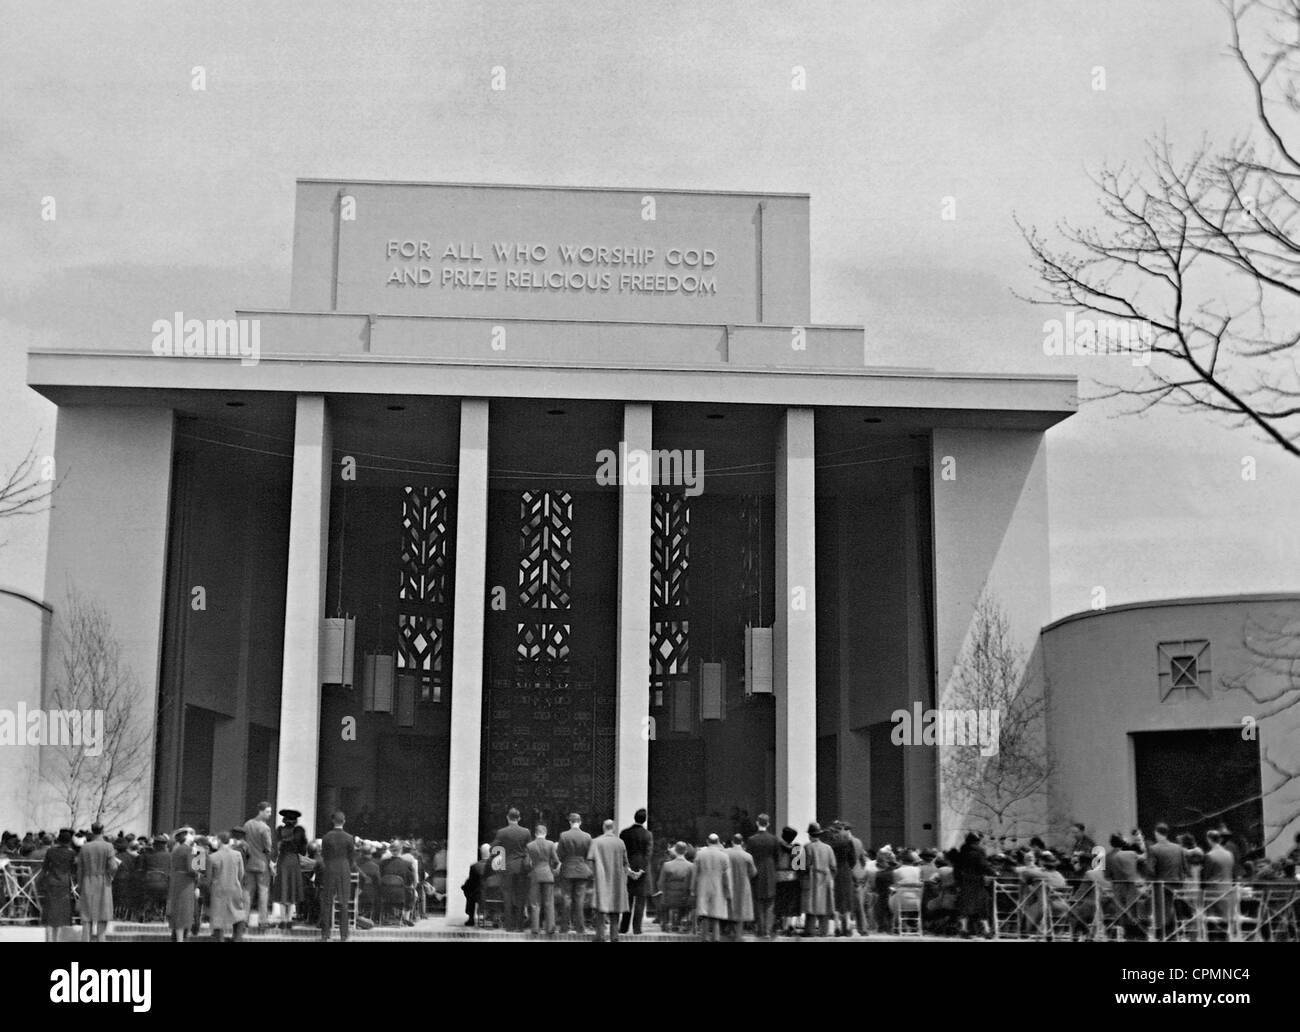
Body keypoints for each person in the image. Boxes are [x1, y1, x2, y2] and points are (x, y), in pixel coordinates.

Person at [74, 821, 118, 942]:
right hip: (103, 882)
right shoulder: (108, 846)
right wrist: (111, 875)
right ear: (102, 830)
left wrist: (80, 884)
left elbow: (80, 869)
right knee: (102, 915)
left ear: (92, 831)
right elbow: (113, 866)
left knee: (87, 917)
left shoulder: (85, 847)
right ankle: (101, 939)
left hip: (87, 881)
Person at [1144, 822, 1188, 939]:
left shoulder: (1153, 849)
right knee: (1175, 910)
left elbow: (1150, 870)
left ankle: (1162, 936)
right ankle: (1179, 934)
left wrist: (1149, 884)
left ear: (1157, 833)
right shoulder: (1178, 848)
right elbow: (1185, 868)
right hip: (1177, 885)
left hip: (1161, 886)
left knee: (1161, 913)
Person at [491, 807, 532, 932]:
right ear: (519, 818)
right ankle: (519, 926)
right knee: (520, 896)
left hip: (507, 867)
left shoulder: (502, 832)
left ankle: (509, 926)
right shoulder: (526, 832)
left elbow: (493, 848)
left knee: (507, 896)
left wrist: (499, 859)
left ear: (507, 817)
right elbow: (528, 849)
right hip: (521, 867)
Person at [588, 819, 630, 941]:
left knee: (601, 908)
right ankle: (614, 936)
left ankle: (600, 936)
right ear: (614, 828)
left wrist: (593, 875)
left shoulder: (596, 842)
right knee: (615, 908)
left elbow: (590, 860)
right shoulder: (620, 843)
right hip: (616, 879)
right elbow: (625, 862)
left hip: (601, 879)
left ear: (603, 827)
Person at [318, 810, 357, 941]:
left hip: (330, 868)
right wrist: (347, 866)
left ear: (333, 821)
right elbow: (352, 857)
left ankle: (325, 934)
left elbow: (324, 855)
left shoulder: (326, 837)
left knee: (327, 902)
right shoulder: (349, 837)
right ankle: (343, 935)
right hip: (344, 869)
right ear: (344, 821)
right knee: (344, 903)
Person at [691, 833, 733, 942]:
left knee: (705, 914)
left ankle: (704, 938)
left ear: (707, 841)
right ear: (718, 841)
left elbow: (694, 873)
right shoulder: (724, 856)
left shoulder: (700, 854)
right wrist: (728, 890)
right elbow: (727, 876)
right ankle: (716, 938)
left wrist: (692, 888)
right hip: (718, 888)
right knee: (716, 915)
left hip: (703, 887)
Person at [207, 831, 247, 942]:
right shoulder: (237, 855)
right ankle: (237, 938)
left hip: (218, 889)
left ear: (219, 841)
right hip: (234, 888)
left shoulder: (212, 857)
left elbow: (209, 878)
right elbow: (241, 874)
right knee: (238, 914)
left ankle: (220, 939)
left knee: (218, 916)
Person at [619, 808, 653, 935]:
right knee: (640, 900)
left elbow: (621, 852)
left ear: (635, 817)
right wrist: (641, 870)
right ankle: (637, 928)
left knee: (628, 899)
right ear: (645, 820)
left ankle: (624, 927)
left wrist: (627, 869)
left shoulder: (625, 833)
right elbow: (648, 854)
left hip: (628, 866)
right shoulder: (648, 835)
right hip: (642, 870)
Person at [557, 813, 593, 935]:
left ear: (570, 822)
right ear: (580, 822)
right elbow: (589, 855)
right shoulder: (587, 836)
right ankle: (580, 928)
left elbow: (560, 854)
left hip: (567, 869)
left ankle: (564, 928)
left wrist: (566, 861)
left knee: (566, 899)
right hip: (582, 870)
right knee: (579, 900)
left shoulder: (564, 835)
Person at [745, 813, 779, 939]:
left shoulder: (752, 840)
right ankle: (768, 931)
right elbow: (777, 857)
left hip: (757, 872)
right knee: (770, 903)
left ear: (757, 823)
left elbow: (749, 857)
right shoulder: (774, 839)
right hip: (770, 872)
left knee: (758, 902)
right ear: (768, 824)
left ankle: (760, 929)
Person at [39, 829, 76, 943]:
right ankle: (58, 939)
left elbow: (45, 867)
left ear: (58, 840)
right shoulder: (71, 853)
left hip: (51, 882)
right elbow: (73, 870)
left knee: (50, 912)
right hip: (64, 884)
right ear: (69, 841)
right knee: (61, 914)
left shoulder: (50, 851)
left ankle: (49, 940)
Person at [242, 801, 275, 930]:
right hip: (262, 864)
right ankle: (263, 921)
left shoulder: (247, 825)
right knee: (263, 892)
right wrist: (270, 862)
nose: (270, 814)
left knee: (247, 892)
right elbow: (268, 848)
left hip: (249, 863)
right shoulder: (265, 828)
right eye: (267, 812)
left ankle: (244, 919)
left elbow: (244, 844)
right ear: (261, 811)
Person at [800, 823, 837, 937]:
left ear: (810, 835)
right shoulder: (828, 848)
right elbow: (834, 866)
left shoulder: (807, 847)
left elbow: (803, 866)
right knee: (824, 907)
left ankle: (809, 931)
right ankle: (824, 931)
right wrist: (831, 878)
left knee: (811, 907)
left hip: (812, 879)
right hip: (825, 879)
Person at [955, 832, 993, 938]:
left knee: (965, 906)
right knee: (982, 906)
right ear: (977, 841)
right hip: (977, 882)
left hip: (965, 882)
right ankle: (986, 930)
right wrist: (993, 872)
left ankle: (964, 929)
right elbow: (983, 865)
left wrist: (958, 882)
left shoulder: (961, 852)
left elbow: (956, 869)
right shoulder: (979, 851)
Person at [273, 809, 307, 927]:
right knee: (292, 890)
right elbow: (303, 849)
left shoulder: (279, 831)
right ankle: (289, 919)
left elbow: (276, 846)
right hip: (294, 861)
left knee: (283, 890)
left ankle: (283, 920)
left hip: (283, 861)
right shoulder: (299, 831)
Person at [526, 824, 560, 936]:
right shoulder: (550, 844)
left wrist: (531, 867)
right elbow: (556, 861)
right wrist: (553, 869)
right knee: (549, 902)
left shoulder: (530, 845)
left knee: (535, 903)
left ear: (535, 834)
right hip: (548, 875)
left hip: (535, 875)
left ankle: (535, 928)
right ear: (545, 833)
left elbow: (527, 863)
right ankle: (550, 928)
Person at [724, 832, 757, 940]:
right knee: (741, 910)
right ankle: (738, 935)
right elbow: (753, 872)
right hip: (743, 885)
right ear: (742, 842)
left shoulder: (726, 853)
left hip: (729, 884)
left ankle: (729, 931)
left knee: (729, 908)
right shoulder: (747, 856)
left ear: (733, 842)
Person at [656, 841, 694, 933]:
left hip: (669, 897)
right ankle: (680, 923)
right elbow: (692, 884)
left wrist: (663, 890)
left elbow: (660, 883)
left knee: (663, 902)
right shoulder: (691, 866)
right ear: (685, 852)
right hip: (684, 898)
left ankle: (667, 923)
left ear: (675, 851)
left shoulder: (667, 865)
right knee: (686, 905)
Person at [167, 828, 196, 942]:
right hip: (187, 882)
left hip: (177, 880)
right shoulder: (189, 850)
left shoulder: (176, 849)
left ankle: (179, 938)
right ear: (186, 837)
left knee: (178, 909)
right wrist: (199, 854)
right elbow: (193, 869)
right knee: (185, 910)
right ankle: (183, 938)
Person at [774, 826, 800, 935]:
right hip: (792, 877)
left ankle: (782, 925)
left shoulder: (777, 846)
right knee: (792, 902)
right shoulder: (797, 848)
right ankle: (790, 924)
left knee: (781, 901)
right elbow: (800, 866)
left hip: (779, 877)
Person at [461, 844, 490, 927]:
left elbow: (471, 882)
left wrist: (464, 887)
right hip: (494, 895)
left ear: (481, 853)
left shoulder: (474, 866)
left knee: (468, 890)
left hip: (479, 895)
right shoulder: (496, 866)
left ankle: (471, 918)